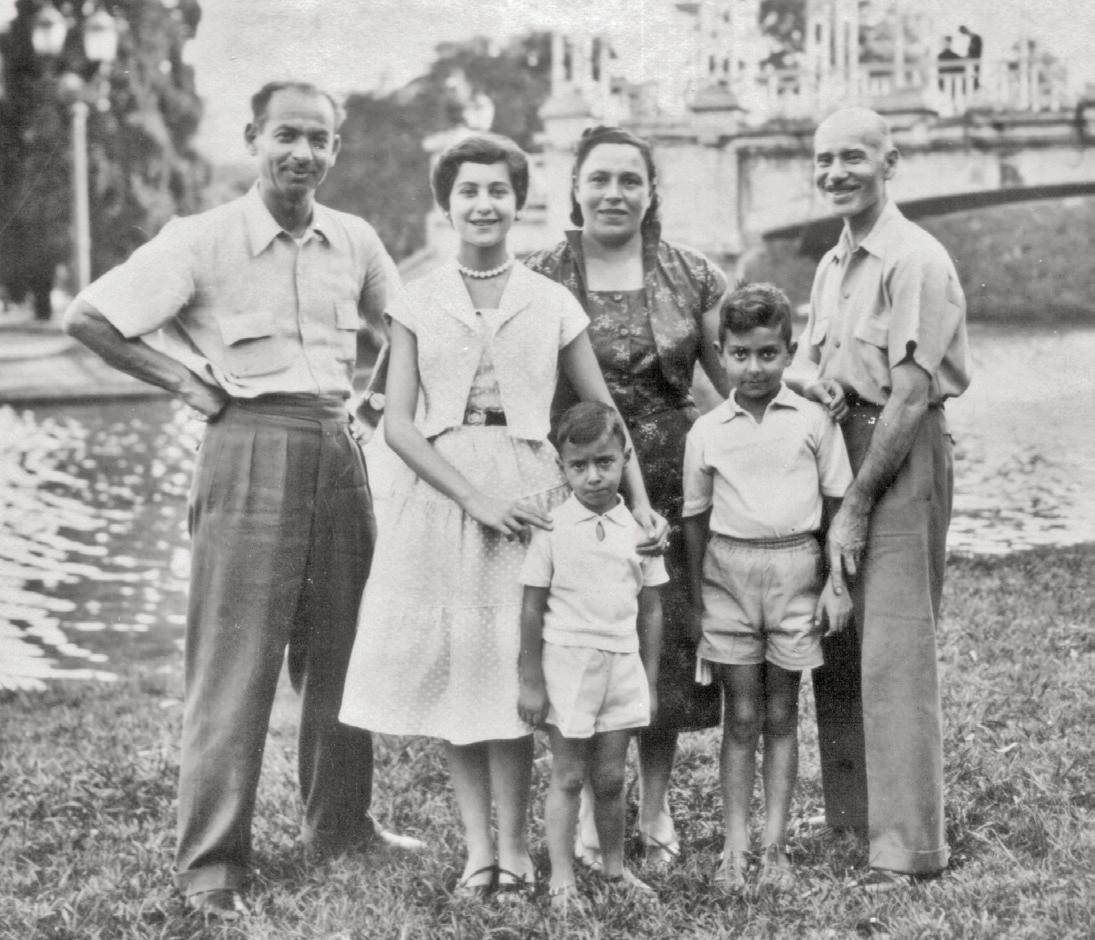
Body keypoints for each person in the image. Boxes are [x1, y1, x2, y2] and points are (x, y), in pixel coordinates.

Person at [61, 81, 424, 920]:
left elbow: (408, 332)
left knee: (342, 651)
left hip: (336, 444)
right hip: (247, 444)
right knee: (235, 662)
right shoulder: (200, 238)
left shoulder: (356, 238)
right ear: (253, 136)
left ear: (335, 149)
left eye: (319, 139)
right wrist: (188, 383)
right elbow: (90, 318)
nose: (303, 153)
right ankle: (213, 861)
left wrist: (377, 404)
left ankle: (341, 826)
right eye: (286, 135)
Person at [337, 134, 662, 899]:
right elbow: (399, 425)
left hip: (530, 492)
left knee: (513, 665)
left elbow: (602, 410)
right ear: (446, 205)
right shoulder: (415, 300)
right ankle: (478, 852)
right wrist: (473, 498)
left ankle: (516, 852)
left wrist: (641, 505)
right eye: (468, 192)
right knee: (461, 668)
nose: (483, 205)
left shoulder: (550, 301)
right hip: (444, 495)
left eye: (497, 191)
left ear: (519, 202)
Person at [525, 124, 728, 869]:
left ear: (650, 192)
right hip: (577, 481)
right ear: (575, 188)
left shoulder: (692, 274)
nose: (614, 194)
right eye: (600, 179)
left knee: (661, 640)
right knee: (582, 637)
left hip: (669, 481)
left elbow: (737, 378)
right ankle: (586, 806)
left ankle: (656, 805)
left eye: (630, 180)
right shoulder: (539, 274)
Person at [798, 107, 970, 889]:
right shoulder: (832, 263)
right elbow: (817, 367)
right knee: (837, 639)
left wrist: (857, 504)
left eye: (852, 157)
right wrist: (820, 386)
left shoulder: (915, 258)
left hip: (897, 454)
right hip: (839, 446)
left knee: (894, 648)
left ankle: (905, 850)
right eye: (823, 159)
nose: (835, 172)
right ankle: (853, 817)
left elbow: (907, 396)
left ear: (888, 162)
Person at [682, 282, 853, 892]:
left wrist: (835, 583)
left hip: (796, 570)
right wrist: (698, 600)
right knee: (742, 715)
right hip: (728, 574)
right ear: (720, 354)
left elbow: (837, 508)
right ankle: (735, 845)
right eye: (740, 354)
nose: (753, 368)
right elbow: (695, 519)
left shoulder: (813, 420)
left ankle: (775, 846)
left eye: (768, 354)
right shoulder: (707, 430)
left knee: (782, 713)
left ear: (789, 353)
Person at [517, 401, 666, 911]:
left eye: (604, 462)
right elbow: (532, 607)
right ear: (562, 467)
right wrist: (531, 679)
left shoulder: (643, 529)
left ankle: (614, 869)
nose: (593, 476)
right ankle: (562, 877)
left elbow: (651, 608)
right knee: (568, 776)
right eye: (578, 466)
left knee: (610, 778)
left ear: (625, 458)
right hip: (567, 666)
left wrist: (648, 680)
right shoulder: (552, 527)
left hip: (622, 664)